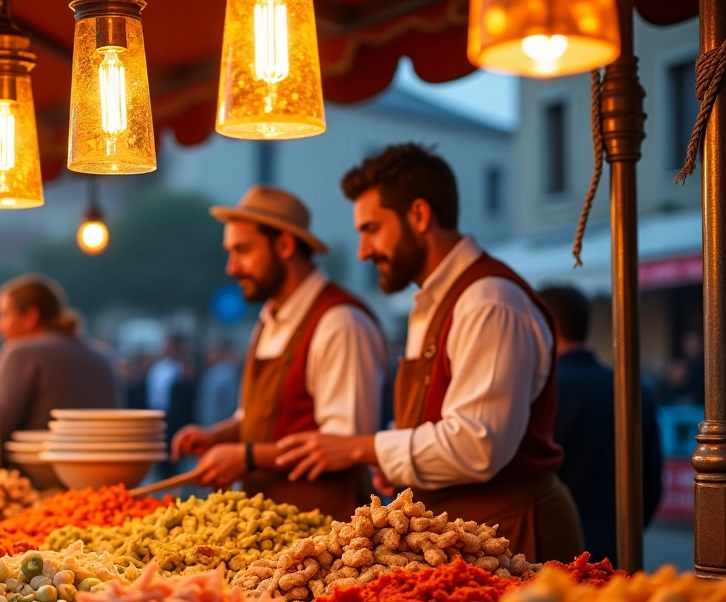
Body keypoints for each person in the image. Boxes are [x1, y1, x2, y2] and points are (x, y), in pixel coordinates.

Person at [275, 143, 584, 561]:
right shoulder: (436, 302)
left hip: (514, 537)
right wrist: (397, 463)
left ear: (419, 215)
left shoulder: (487, 301)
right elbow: (442, 425)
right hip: (462, 541)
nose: (363, 251)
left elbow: (477, 445)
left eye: (371, 229)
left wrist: (361, 448)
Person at [172, 185, 388, 518]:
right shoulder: (268, 319)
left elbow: (344, 444)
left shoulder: (341, 322)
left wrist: (245, 457)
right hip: (269, 527)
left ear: (285, 244)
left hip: (328, 531)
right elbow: (257, 417)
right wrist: (215, 437)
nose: (231, 267)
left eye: (242, 250)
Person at [538, 285, 663, 563]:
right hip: (621, 549)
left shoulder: (541, 391)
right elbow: (652, 482)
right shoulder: (633, 387)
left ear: (548, 323)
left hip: (555, 555)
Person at [0, 274, 119, 443]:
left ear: (30, 317)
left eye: (4, 315)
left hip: (35, 468)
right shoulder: (103, 356)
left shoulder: (19, 353)